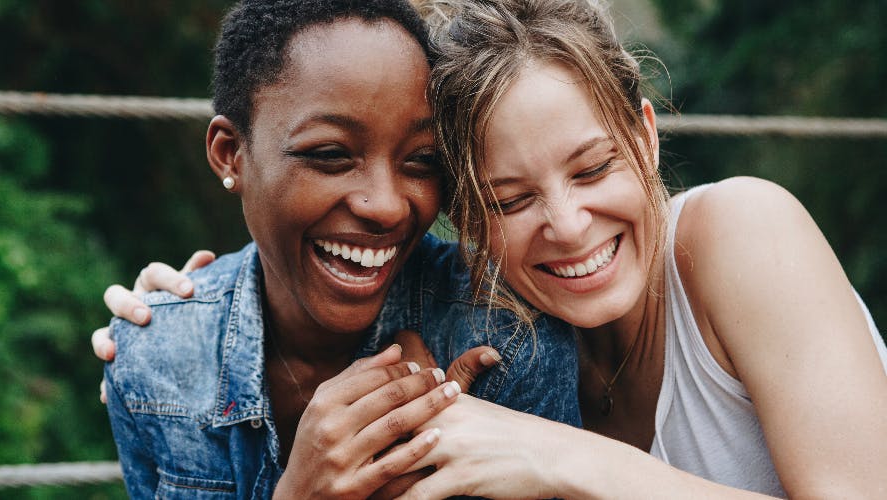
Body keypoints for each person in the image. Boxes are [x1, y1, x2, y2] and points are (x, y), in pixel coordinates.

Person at [103, 0, 887, 498]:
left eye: (594, 167)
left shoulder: (741, 234)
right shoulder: (514, 335)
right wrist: (189, 323)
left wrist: (563, 458)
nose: (571, 225)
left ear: (645, 138)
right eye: (510, 200)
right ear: (467, 218)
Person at [99, 1, 581, 498]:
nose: (388, 207)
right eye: (331, 155)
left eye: (421, 161)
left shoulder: (506, 337)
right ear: (231, 154)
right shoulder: (155, 359)